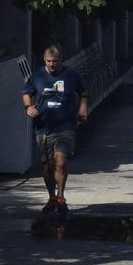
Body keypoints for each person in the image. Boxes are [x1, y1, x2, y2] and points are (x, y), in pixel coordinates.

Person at [22, 43, 88, 213]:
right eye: (48, 61)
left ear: (61, 60)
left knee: (61, 160)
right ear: (44, 60)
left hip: (65, 126)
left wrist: (82, 108)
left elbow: (83, 93)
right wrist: (28, 106)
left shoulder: (72, 75)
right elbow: (26, 92)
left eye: (55, 61)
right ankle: (51, 197)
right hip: (43, 127)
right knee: (47, 167)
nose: (51, 64)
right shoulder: (37, 75)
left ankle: (61, 197)